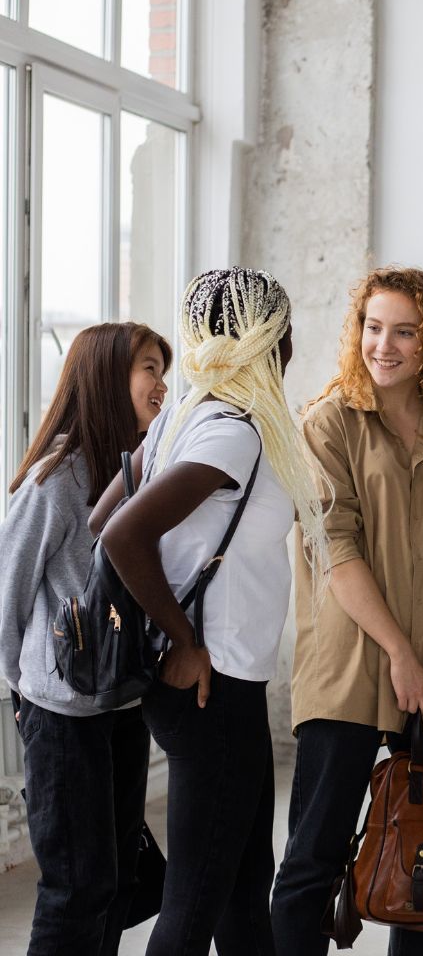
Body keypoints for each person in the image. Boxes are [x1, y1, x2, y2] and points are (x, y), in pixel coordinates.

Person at [93, 268, 329, 956]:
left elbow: (104, 517)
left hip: (224, 686)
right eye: (285, 332)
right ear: (267, 340)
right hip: (211, 684)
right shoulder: (234, 433)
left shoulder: (186, 417)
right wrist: (184, 639)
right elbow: (120, 534)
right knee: (195, 904)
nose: (292, 346)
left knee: (241, 895)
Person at [270, 266, 423, 956]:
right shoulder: (328, 423)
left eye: (404, 332)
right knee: (314, 859)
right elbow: (334, 547)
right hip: (349, 667)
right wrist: (398, 653)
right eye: (373, 328)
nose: (384, 345)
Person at [0, 322, 171, 955]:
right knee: (78, 887)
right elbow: (7, 594)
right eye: (148, 368)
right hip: (63, 714)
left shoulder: (142, 470)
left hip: (124, 701)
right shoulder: (57, 479)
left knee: (118, 880)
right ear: (106, 378)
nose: (161, 383)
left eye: (162, 369)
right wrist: (26, 692)